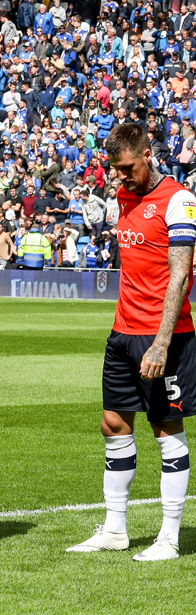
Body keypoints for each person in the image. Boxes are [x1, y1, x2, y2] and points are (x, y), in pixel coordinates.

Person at [67, 124, 193, 561]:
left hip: (165, 337)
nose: (121, 176)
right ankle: (115, 530)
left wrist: (160, 344)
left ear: (147, 155)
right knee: (114, 426)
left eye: (128, 167)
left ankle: (169, 538)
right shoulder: (123, 196)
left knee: (166, 430)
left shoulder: (179, 201)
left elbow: (180, 275)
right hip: (122, 333)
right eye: (116, 169)